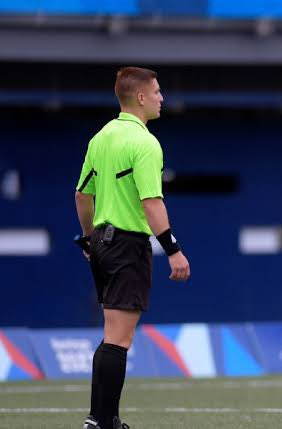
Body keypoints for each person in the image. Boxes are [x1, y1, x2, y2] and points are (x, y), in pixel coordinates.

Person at [75, 67, 190, 429]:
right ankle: (103, 421)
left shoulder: (101, 137)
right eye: (156, 91)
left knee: (112, 334)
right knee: (118, 339)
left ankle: (102, 419)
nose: (161, 97)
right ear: (140, 97)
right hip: (127, 245)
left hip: (103, 244)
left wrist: (89, 238)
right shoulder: (145, 142)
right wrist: (173, 249)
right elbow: (151, 203)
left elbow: (82, 194)